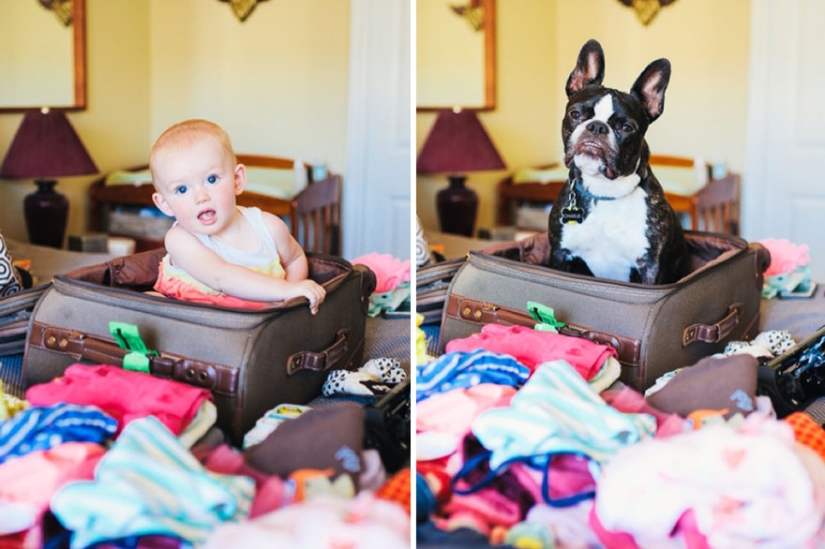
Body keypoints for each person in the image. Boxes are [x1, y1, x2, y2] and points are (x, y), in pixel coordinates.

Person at [149, 119, 326, 313]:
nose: (201, 197)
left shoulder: (269, 228)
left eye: (211, 179)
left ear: (237, 180)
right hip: (190, 321)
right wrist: (285, 289)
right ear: (164, 204)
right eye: (182, 189)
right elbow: (220, 276)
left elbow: (295, 259)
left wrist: (289, 299)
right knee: (148, 304)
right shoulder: (180, 239)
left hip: (257, 327)